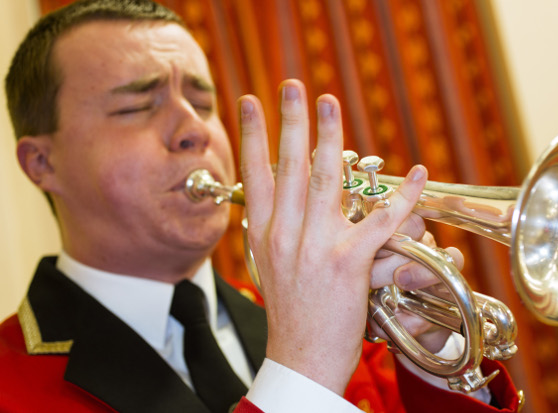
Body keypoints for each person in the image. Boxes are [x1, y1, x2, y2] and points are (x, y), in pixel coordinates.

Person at [0, 0, 521, 412]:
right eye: (138, 105)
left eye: (203, 104)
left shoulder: (303, 311)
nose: (194, 130)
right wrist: (303, 371)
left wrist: (435, 360)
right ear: (41, 162)